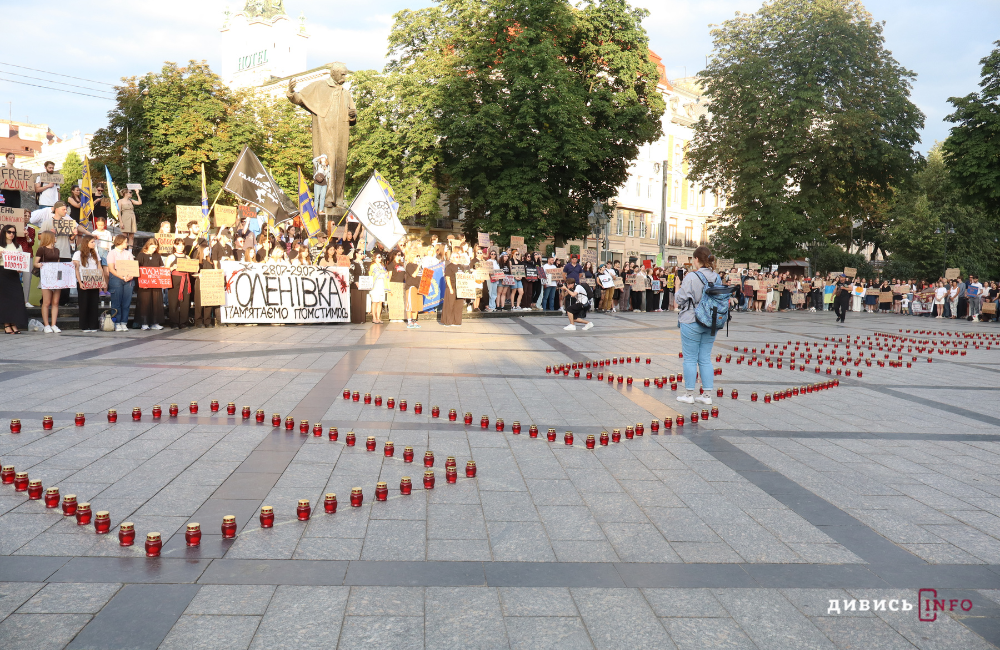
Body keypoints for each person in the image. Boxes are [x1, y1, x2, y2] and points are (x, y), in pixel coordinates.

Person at [674, 246, 719, 405]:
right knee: (705, 358)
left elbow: (679, 300)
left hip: (692, 319)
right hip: (711, 320)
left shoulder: (692, 277)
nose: (692, 262)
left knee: (690, 359)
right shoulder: (716, 277)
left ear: (697, 259)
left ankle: (689, 394)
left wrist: (677, 287)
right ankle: (706, 396)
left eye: (693, 259)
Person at [0, 225, 28, 334]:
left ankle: (14, 322)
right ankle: (7, 324)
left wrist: (20, 268)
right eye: (9, 231)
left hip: (14, 274)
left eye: (13, 232)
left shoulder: (18, 246)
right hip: (2, 273)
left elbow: (21, 261)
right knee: (5, 299)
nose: (11, 234)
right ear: (4, 233)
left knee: (17, 298)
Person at [72, 235, 102, 332]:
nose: (94, 243)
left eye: (94, 242)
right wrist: (80, 282)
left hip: (94, 279)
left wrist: (102, 281)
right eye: (92, 242)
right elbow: (76, 268)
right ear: (86, 243)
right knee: (84, 303)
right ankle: (84, 325)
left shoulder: (95, 253)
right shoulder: (78, 254)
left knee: (94, 303)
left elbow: (99, 267)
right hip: (84, 280)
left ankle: (93, 325)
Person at [34, 231, 62, 332]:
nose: (56, 238)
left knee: (55, 301)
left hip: (56, 277)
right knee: (46, 302)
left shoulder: (57, 250)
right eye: (54, 236)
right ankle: (46, 325)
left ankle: (54, 324)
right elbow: (35, 263)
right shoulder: (41, 249)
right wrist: (40, 265)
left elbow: (58, 264)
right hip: (46, 277)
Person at [106, 235, 135, 331]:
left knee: (126, 302)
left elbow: (133, 266)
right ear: (120, 242)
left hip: (128, 279)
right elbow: (111, 268)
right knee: (116, 302)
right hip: (116, 278)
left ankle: (124, 322)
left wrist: (131, 275)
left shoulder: (128, 253)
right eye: (126, 242)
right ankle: (116, 322)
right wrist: (121, 276)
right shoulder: (112, 253)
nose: (127, 244)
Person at [135, 238, 165, 330]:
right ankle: (144, 323)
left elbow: (161, 268)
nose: (154, 249)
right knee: (145, 303)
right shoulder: (141, 255)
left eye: (155, 248)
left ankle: (155, 322)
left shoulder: (157, 256)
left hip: (156, 283)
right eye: (152, 247)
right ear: (147, 246)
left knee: (156, 302)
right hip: (144, 284)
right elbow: (136, 269)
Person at [164, 239, 192, 329]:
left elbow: (192, 269)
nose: (181, 247)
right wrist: (172, 268)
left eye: (182, 245)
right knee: (173, 301)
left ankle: (184, 322)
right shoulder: (171, 257)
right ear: (175, 246)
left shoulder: (187, 257)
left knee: (185, 302)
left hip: (185, 279)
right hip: (174, 279)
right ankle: (174, 322)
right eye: (179, 245)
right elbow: (165, 270)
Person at [193, 243, 217, 327]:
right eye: (206, 250)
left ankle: (207, 321)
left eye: (209, 250)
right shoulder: (196, 262)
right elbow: (192, 274)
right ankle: (198, 321)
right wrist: (198, 275)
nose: (208, 252)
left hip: (209, 283)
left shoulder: (209, 262)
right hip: (199, 283)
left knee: (208, 302)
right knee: (199, 302)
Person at [441, 251, 462, 326]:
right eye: (457, 257)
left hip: (460, 288)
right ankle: (447, 321)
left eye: (459, 257)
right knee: (449, 305)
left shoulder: (461, 266)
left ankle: (456, 321)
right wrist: (450, 288)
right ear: (452, 258)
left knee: (458, 305)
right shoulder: (449, 266)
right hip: (452, 286)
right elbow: (447, 277)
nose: (458, 258)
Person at [349, 250, 369, 324]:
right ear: (356, 254)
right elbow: (351, 273)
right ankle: (356, 319)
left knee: (362, 301)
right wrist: (355, 281)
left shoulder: (363, 263)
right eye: (360, 253)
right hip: (355, 285)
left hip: (363, 284)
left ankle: (362, 318)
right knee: (356, 301)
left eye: (362, 253)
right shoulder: (353, 263)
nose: (362, 255)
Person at [404, 250, 422, 328]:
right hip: (411, 286)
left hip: (419, 287)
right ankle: (409, 321)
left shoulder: (419, 266)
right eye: (416, 256)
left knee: (417, 305)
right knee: (410, 305)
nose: (418, 258)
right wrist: (418, 266)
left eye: (419, 256)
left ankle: (414, 321)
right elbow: (414, 275)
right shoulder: (409, 265)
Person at [369, 254, 387, 324]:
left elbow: (385, 274)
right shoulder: (373, 266)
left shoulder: (382, 266)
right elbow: (375, 274)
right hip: (375, 285)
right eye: (379, 257)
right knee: (375, 302)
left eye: (381, 257)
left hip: (381, 284)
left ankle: (378, 317)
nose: (380, 258)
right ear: (375, 258)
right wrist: (382, 274)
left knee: (380, 302)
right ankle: (374, 317)